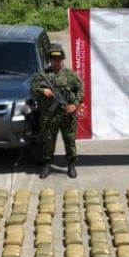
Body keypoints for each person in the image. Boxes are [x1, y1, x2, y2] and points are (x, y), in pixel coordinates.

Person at [31, 46, 84, 178]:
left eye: (59, 59)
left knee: (70, 140)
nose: (57, 61)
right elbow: (32, 90)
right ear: (50, 60)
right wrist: (43, 91)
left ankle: (71, 165)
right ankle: (47, 165)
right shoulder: (42, 75)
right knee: (48, 141)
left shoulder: (70, 75)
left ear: (62, 59)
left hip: (67, 115)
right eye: (54, 59)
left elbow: (80, 90)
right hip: (49, 116)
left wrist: (74, 105)